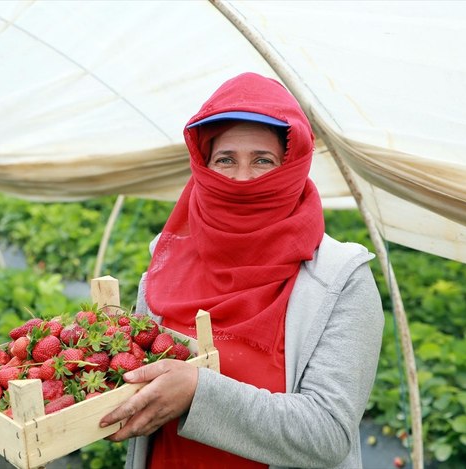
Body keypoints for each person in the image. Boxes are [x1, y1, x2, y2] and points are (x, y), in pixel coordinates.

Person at [99, 72, 384, 468]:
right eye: (225, 160)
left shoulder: (339, 279)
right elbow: (141, 369)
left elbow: (329, 431)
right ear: (203, 164)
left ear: (292, 166)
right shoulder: (168, 262)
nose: (242, 179)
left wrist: (199, 393)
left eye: (263, 161)